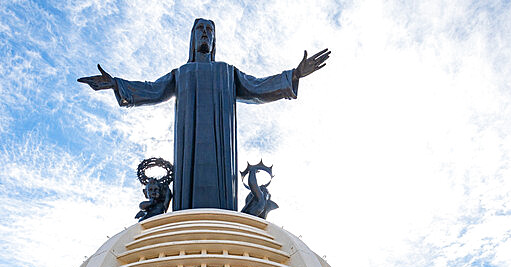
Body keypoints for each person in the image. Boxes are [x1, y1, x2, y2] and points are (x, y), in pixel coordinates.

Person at [80, 19, 329, 211]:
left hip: (222, 149)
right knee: (187, 190)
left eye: (209, 30)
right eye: (200, 29)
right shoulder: (181, 73)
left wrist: (294, 75)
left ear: (214, 40)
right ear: (192, 37)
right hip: (188, 145)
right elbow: (153, 90)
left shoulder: (227, 72)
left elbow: (258, 87)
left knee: (222, 195)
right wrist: (116, 84)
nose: (204, 34)